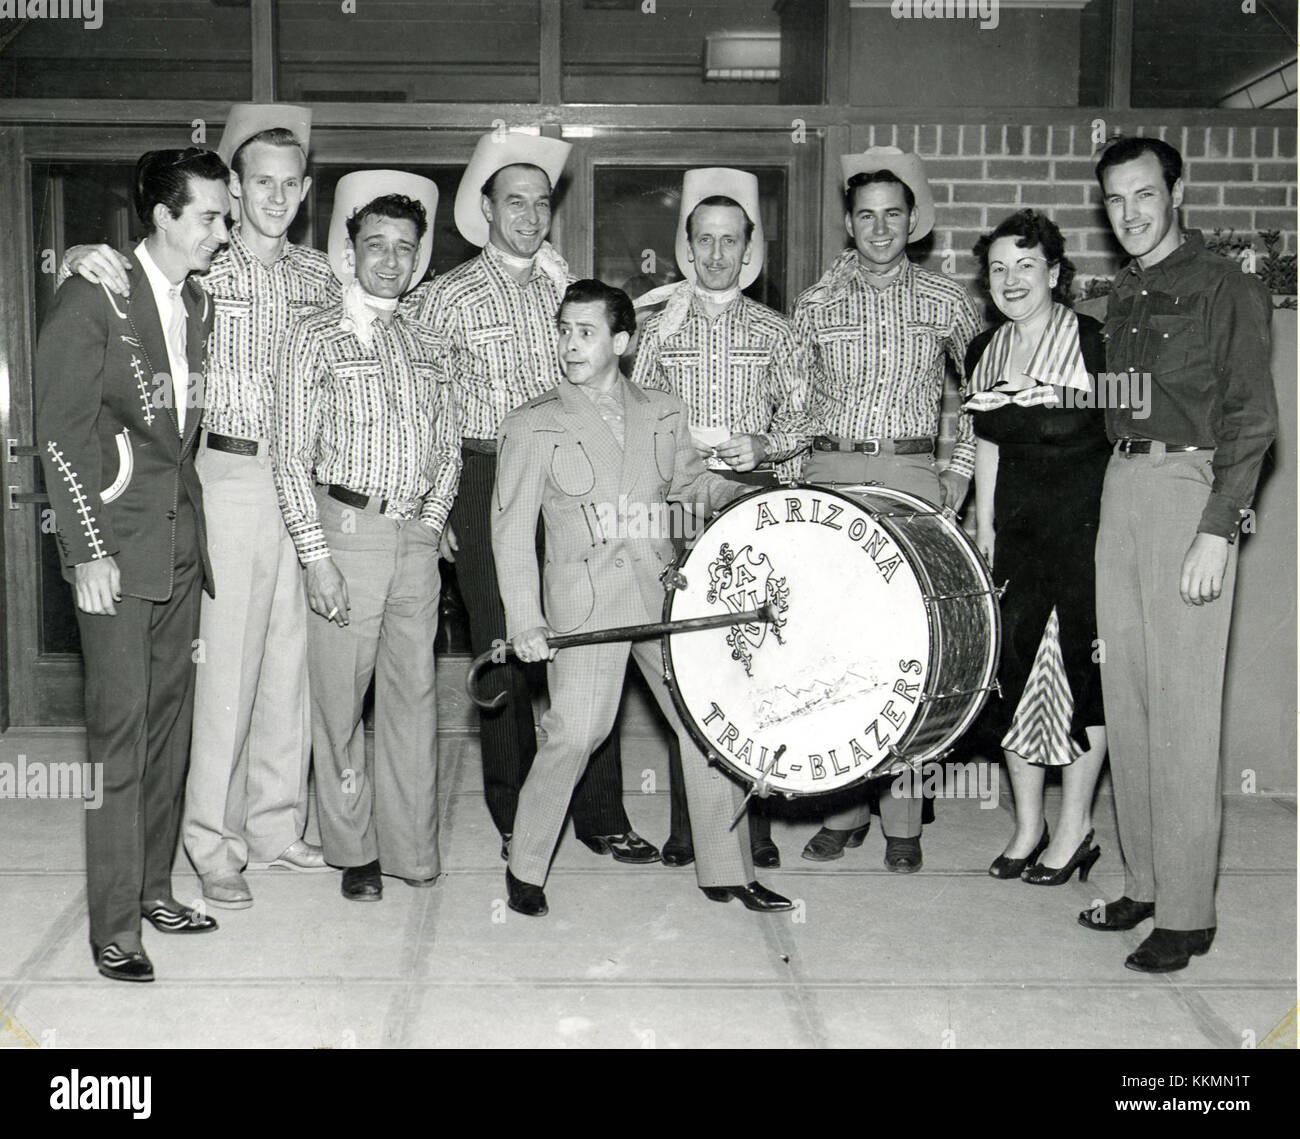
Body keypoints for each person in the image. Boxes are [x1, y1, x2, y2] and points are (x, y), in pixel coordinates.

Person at [59, 104, 333, 912]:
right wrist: (81, 255)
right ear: (236, 191)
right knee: (223, 671)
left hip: (303, 481)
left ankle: (278, 826)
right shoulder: (203, 263)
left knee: (290, 666)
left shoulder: (321, 277)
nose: (275, 199)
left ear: (306, 191)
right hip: (224, 476)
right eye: (259, 184)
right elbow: (127, 271)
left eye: (291, 184)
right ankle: (212, 842)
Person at [493, 280, 792, 917]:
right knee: (576, 733)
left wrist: (759, 498)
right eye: (564, 330)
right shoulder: (533, 423)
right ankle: (525, 868)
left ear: (622, 342)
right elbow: (511, 532)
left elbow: (690, 491)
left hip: (661, 601)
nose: (570, 344)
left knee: (706, 728)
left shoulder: (663, 410)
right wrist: (525, 618)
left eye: (586, 332)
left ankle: (725, 869)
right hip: (586, 607)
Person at [414, 131, 657, 866]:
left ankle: (600, 812)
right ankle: (519, 812)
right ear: (484, 208)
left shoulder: (569, 288)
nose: (527, 214)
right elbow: (424, 404)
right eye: (512, 200)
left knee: (595, 636)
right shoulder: (446, 297)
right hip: (488, 477)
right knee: (511, 648)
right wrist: (441, 501)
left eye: (540, 201)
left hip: (578, 480)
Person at [1082, 136, 1276, 973]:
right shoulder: (1123, 293)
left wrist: (1218, 526)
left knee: (1186, 708)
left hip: (1184, 494)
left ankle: (1189, 911)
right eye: (1116, 200)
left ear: (1178, 192)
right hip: (1121, 490)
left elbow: (1252, 419)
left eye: (1145, 195)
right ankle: (1147, 878)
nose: (1130, 213)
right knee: (1128, 700)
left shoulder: (1224, 286)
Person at [36, 148, 229, 982]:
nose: (221, 232)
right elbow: (62, 433)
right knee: (118, 741)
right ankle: (114, 926)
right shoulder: (93, 294)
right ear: (161, 216)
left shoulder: (198, 300)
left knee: (168, 732)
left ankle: (155, 887)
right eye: (210, 217)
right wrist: (85, 551)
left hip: (182, 548)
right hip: (115, 551)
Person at [273, 173, 460, 902]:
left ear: (418, 259)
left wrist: (433, 520)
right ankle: (353, 849)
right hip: (343, 534)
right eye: (374, 245)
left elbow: (447, 449)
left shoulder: (431, 341)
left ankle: (413, 850)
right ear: (349, 253)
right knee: (341, 705)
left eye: (403, 248)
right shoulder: (312, 334)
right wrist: (316, 558)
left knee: (415, 702)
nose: (389, 259)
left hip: (414, 536)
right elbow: (289, 454)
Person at [792, 146, 979, 871]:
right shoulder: (815, 305)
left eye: (892, 215)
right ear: (848, 221)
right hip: (832, 473)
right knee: (834, 647)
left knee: (906, 649)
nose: (879, 228)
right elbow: (796, 404)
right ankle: (842, 811)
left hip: (910, 475)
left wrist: (957, 468)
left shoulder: (947, 302)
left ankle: (903, 818)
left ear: (913, 222)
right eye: (865, 215)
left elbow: (976, 395)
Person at [631, 167, 815, 869]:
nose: (715, 254)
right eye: (703, 240)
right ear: (687, 246)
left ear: (748, 248)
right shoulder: (658, 331)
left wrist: (765, 444)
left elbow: (808, 416)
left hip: (749, 506)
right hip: (679, 507)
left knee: (753, 662)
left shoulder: (778, 330)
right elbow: (637, 415)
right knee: (687, 663)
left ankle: (753, 822)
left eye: (728, 241)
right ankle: (691, 825)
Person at [963, 209, 1110, 885]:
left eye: (1027, 265)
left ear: (1055, 272)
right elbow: (987, 442)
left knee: (1081, 675)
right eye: (998, 267)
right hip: (1015, 536)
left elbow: (1115, 433)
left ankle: (1076, 828)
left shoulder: (1094, 342)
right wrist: (984, 527)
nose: (1011, 279)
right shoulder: (983, 351)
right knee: (1015, 673)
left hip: (1085, 531)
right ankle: (1028, 825)